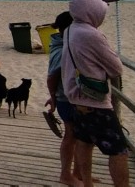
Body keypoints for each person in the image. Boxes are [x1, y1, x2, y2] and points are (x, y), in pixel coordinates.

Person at [61, 0, 128, 186]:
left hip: (75, 98)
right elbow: (116, 69)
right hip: (95, 101)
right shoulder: (91, 34)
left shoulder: (69, 30)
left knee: (84, 142)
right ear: (91, 12)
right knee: (118, 150)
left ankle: (87, 182)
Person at [45, 11, 84, 186]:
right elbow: (51, 76)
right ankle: (65, 174)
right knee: (71, 135)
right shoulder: (60, 50)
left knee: (79, 136)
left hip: (73, 98)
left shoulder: (69, 44)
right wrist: (53, 98)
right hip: (65, 99)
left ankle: (77, 172)